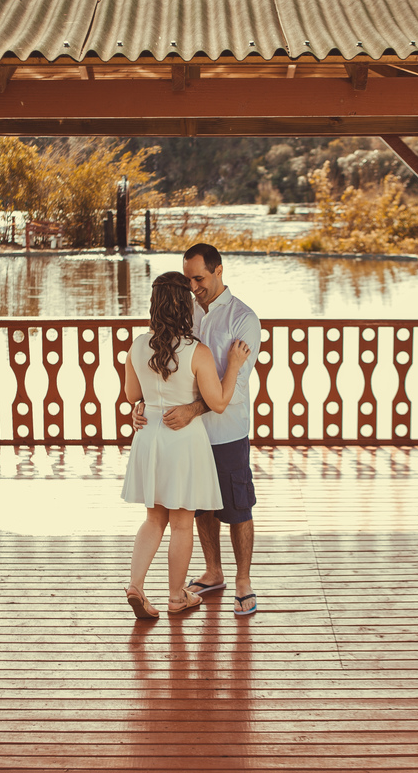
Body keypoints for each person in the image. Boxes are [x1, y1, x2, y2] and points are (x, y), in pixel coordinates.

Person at [135, 243, 263, 617]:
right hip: (186, 438)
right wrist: (144, 404)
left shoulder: (244, 319)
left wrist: (192, 408)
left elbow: (234, 389)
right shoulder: (183, 310)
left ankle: (243, 581)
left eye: (199, 278)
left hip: (225, 430)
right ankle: (213, 570)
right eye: (188, 278)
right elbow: (164, 365)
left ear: (219, 271)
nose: (192, 286)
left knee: (237, 508)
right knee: (197, 510)